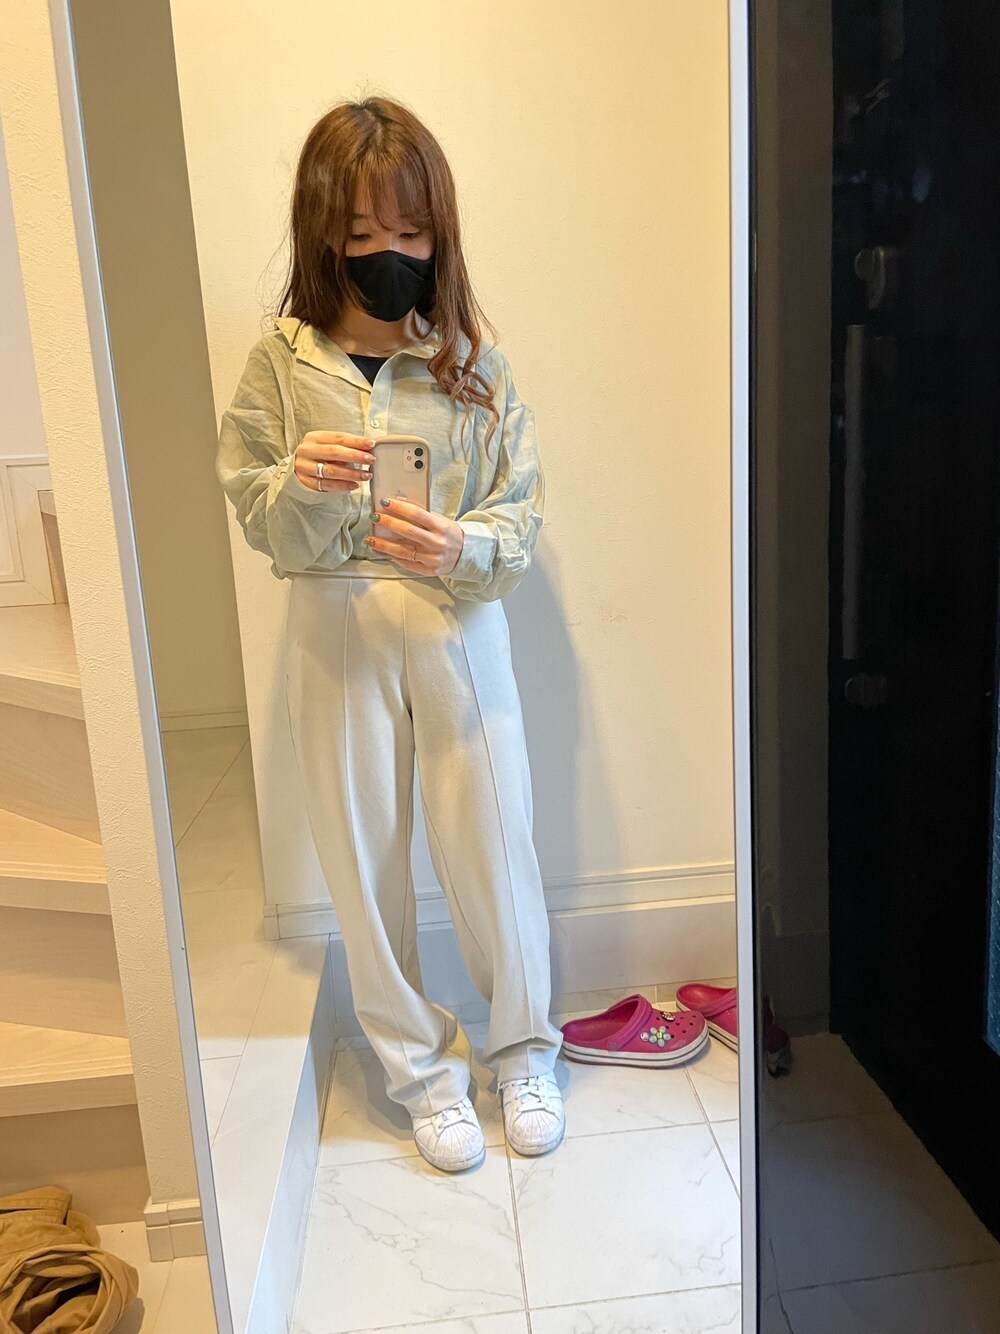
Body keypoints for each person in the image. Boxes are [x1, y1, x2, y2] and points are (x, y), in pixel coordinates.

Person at [214, 95, 565, 1172]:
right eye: (363, 233)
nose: (389, 255)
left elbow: (520, 512)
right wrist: (301, 484)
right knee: (364, 864)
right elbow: (259, 516)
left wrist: (461, 545)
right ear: (324, 234)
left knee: (495, 844)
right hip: (335, 624)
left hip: (456, 622)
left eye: (410, 231)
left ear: (438, 231)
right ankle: (420, 1073)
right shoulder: (281, 366)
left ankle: (524, 1052)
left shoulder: (473, 363)